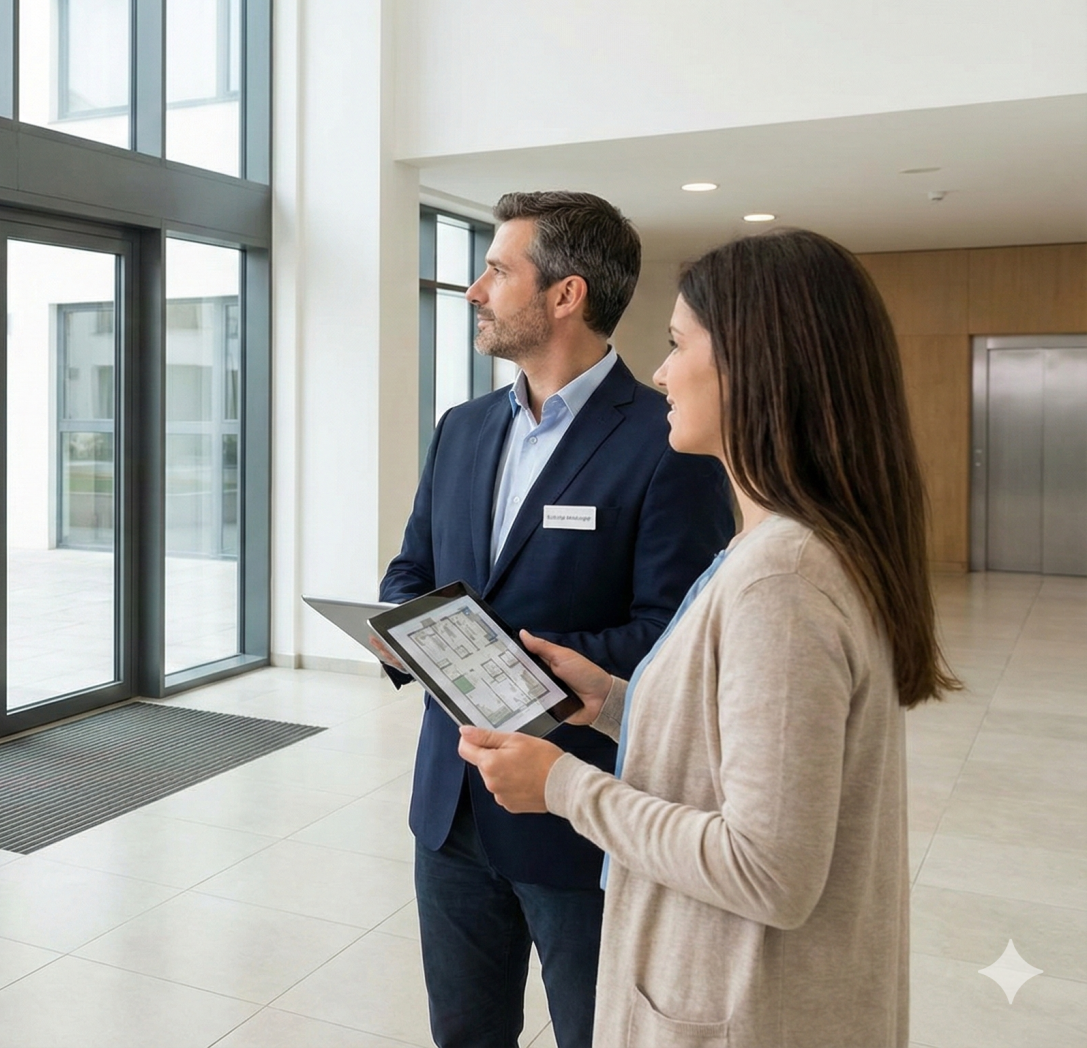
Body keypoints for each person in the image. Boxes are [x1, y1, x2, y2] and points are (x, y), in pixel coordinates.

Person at [459, 228, 958, 1048]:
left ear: (759, 367)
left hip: (744, 1007)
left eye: (676, 344)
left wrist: (562, 788)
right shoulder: (786, 551)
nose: (658, 372)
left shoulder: (782, 580)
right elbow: (749, 749)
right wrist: (616, 702)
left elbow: (766, 868)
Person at [378, 191, 733, 1048]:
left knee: (594, 1033)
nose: (475, 290)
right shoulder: (460, 429)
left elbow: (673, 635)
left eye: (498, 269)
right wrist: (399, 630)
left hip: (580, 816)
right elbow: (412, 570)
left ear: (566, 295)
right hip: (451, 810)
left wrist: (501, 663)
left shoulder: (668, 440)